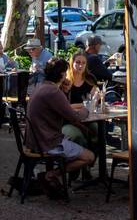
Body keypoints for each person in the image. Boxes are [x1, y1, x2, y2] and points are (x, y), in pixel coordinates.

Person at [24, 57, 94, 190]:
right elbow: (75, 117)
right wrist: (87, 108)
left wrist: (65, 92)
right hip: (47, 142)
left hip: (34, 140)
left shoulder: (42, 87)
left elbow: (63, 109)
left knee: (79, 135)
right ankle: (51, 175)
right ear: (62, 74)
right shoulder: (53, 91)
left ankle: (62, 176)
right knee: (89, 156)